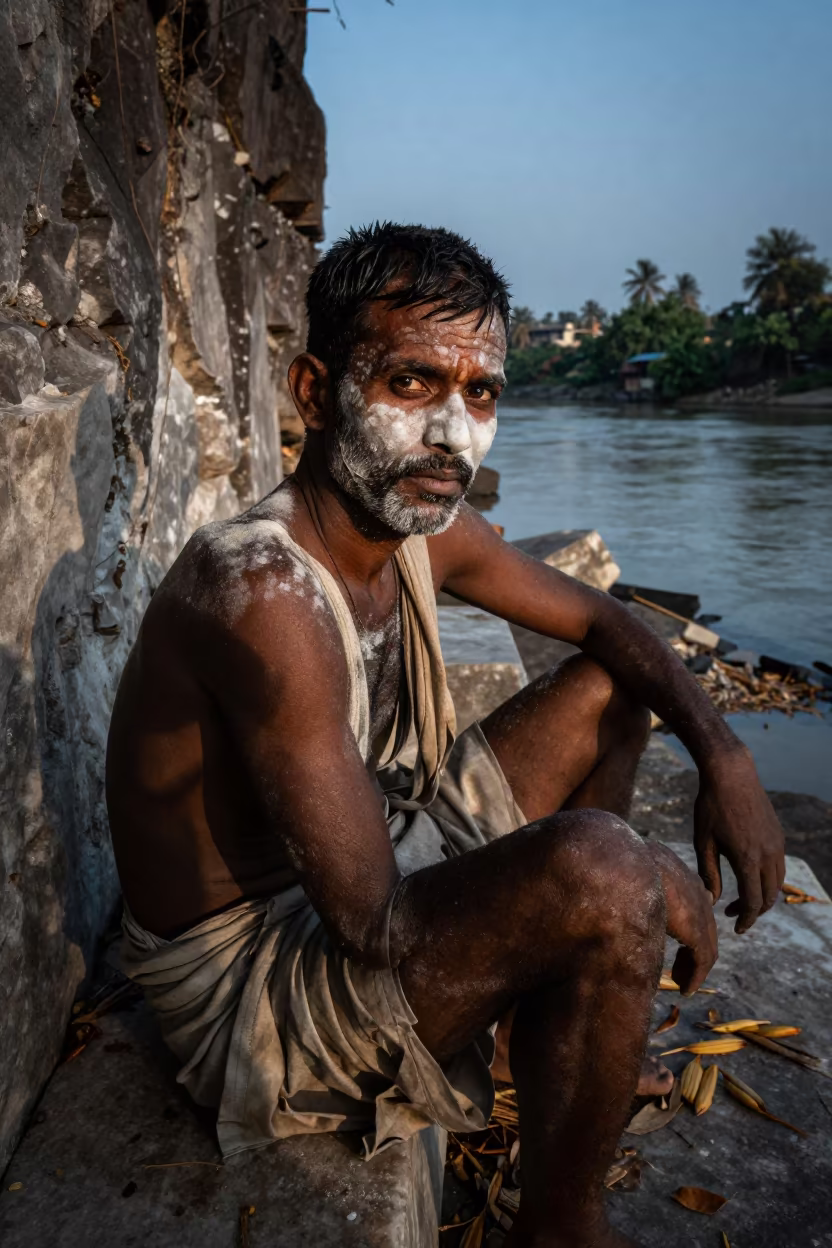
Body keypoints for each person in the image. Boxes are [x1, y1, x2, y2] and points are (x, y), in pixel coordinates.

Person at [107, 223, 785, 1248]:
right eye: (414, 384)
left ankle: (553, 1011)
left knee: (609, 689)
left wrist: (723, 756)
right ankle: (560, 1222)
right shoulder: (264, 593)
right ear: (313, 389)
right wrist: (629, 873)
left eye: (481, 396)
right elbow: (376, 926)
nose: (454, 435)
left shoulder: (414, 526)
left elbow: (607, 621)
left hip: (375, 855)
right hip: (261, 992)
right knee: (602, 869)